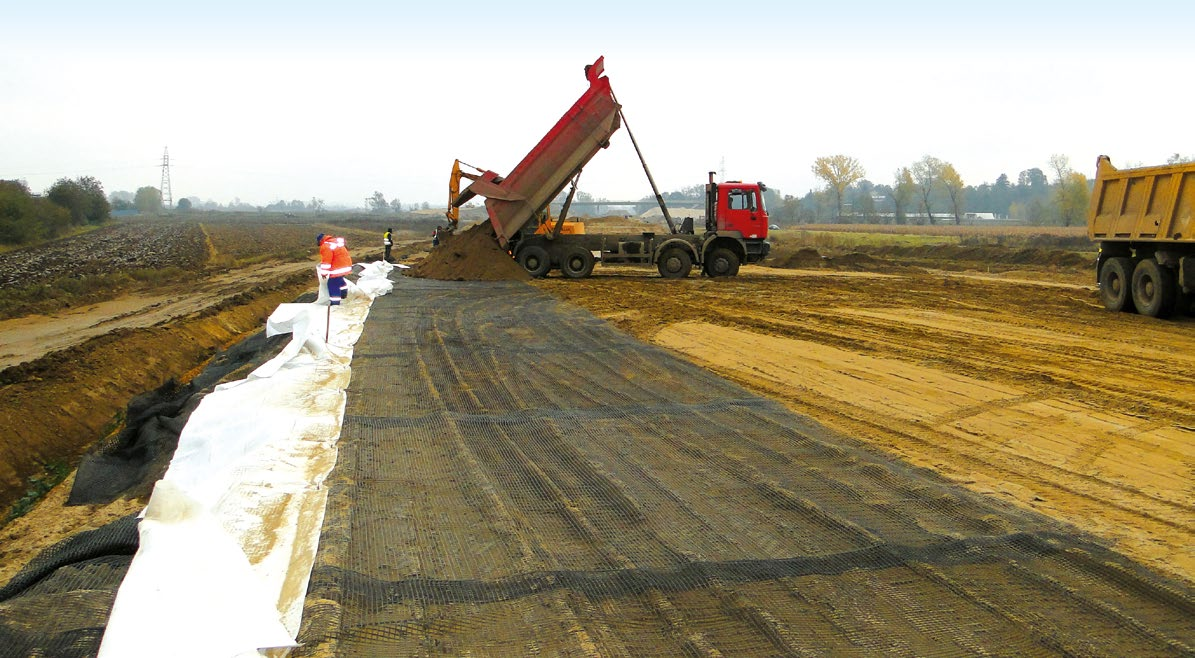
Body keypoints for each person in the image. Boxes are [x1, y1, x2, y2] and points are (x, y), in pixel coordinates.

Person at [316, 233, 353, 305]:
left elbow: (326, 262)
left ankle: (335, 303)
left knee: (332, 284)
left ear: (320, 241)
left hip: (338, 268)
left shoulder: (326, 246)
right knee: (339, 280)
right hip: (346, 266)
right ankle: (343, 294)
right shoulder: (335, 242)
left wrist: (324, 273)